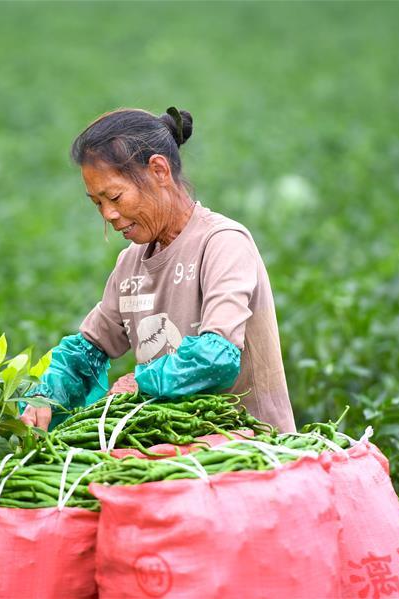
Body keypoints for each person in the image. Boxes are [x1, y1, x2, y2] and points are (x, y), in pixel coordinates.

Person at [20, 107, 295, 433]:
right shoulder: (131, 263)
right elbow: (87, 351)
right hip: (173, 442)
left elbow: (216, 357)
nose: (108, 214)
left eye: (115, 197)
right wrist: (46, 395)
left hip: (245, 440)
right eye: (97, 203)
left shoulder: (222, 244)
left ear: (159, 171)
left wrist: (141, 382)